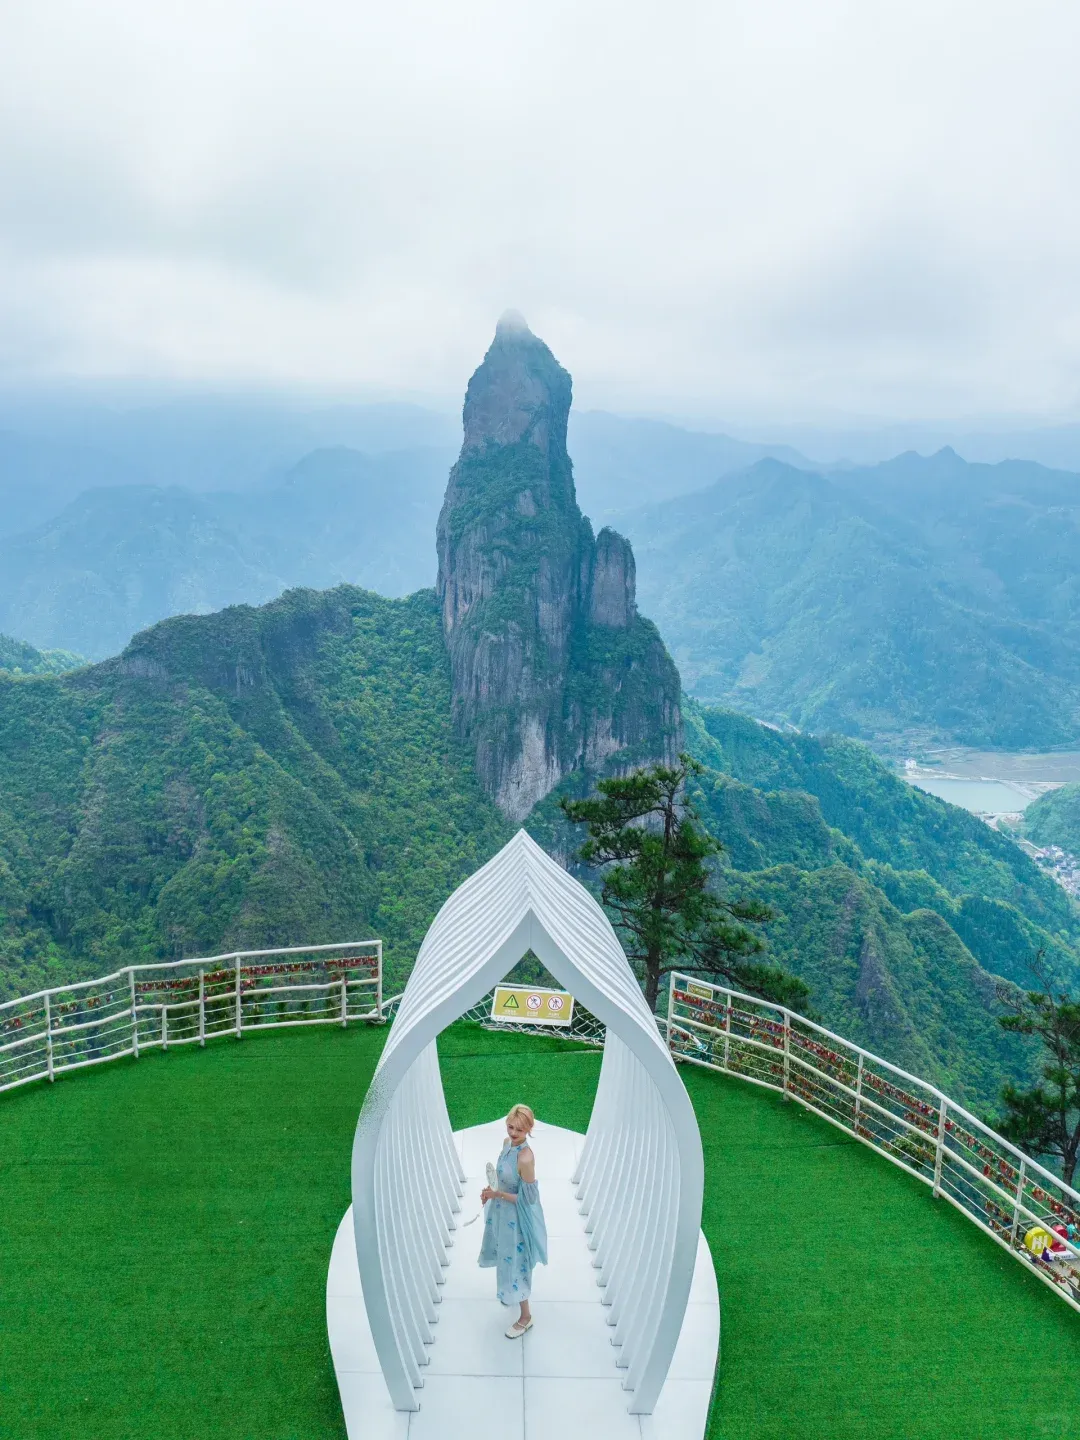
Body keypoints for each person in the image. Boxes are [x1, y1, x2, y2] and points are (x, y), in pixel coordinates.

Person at [478, 1103, 548, 1337]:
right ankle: (510, 1291)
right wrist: (490, 1191)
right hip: (500, 1213)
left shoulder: (526, 1158)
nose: (513, 1133)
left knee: (517, 1262)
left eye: (519, 1129)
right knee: (504, 1256)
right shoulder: (506, 1144)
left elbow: (529, 1199)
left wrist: (497, 1194)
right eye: (510, 1127)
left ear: (529, 1129)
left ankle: (526, 1316)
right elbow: (501, 1177)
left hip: (516, 1220)